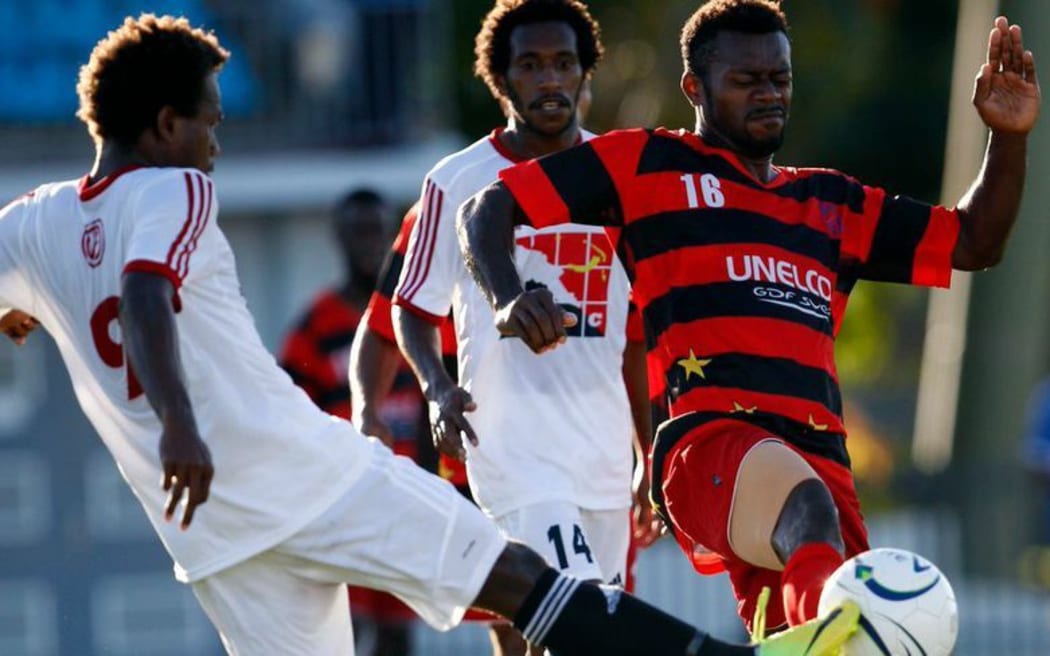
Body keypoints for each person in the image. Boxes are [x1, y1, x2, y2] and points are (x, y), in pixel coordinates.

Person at [0, 12, 859, 656]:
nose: (216, 144)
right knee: (522, 582)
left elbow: (96, 285)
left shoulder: (32, 227)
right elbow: (149, 295)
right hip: (308, 471)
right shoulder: (173, 189)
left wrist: (25, 306)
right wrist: (183, 421)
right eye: (209, 124)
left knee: (531, 603)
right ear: (162, 126)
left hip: (211, 534)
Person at [457, 0, 1040, 637]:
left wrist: (1008, 139)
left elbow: (975, 243)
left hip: (821, 463)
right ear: (694, 88)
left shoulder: (832, 201)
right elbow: (487, 209)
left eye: (779, 80)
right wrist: (508, 295)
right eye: (746, 80)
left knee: (843, 625)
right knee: (826, 564)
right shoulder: (647, 164)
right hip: (710, 443)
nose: (768, 94)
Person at [391, 1, 660, 652]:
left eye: (564, 64)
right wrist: (435, 388)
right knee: (578, 625)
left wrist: (648, 454)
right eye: (531, 66)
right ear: (501, 80)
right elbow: (412, 308)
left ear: (584, 74)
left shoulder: (623, 178)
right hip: (510, 453)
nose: (549, 80)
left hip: (600, 459)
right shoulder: (457, 180)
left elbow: (632, 337)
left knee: (544, 632)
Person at [279, 189, 425, 656]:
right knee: (345, 630)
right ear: (338, 239)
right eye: (357, 232)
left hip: (406, 498)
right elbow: (290, 418)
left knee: (397, 637)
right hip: (344, 502)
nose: (369, 243)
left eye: (377, 231)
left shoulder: (414, 318)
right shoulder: (316, 326)